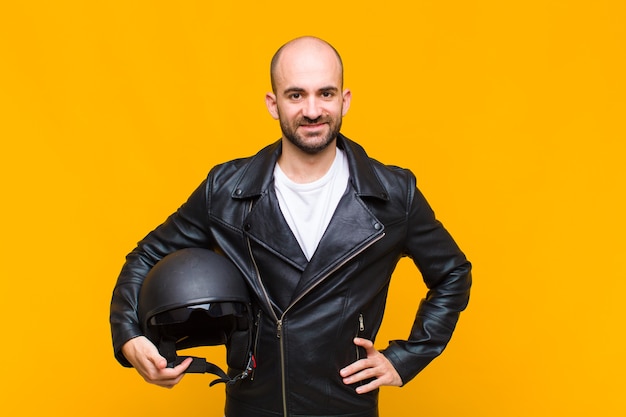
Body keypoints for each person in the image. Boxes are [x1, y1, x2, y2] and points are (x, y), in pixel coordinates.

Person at [110, 36, 472, 417]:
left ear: (345, 100)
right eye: (296, 95)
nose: (312, 110)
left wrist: (406, 358)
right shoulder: (226, 190)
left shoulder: (395, 195)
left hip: (345, 406)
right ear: (274, 103)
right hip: (253, 405)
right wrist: (130, 336)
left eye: (325, 94)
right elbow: (146, 256)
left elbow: (453, 273)